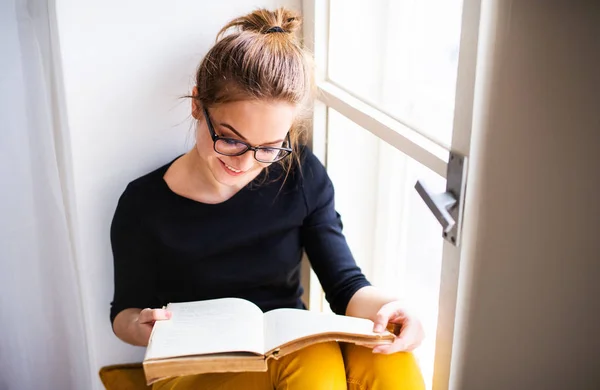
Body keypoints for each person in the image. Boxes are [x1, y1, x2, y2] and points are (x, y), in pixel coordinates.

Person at [110, 7, 425, 390]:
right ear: (197, 105)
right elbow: (122, 313)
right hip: (195, 367)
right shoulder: (144, 204)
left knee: (389, 351)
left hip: (288, 344)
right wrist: (141, 325)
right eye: (229, 139)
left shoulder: (301, 174)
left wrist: (392, 310)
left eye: (269, 148)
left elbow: (345, 285)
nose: (244, 163)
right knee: (312, 357)